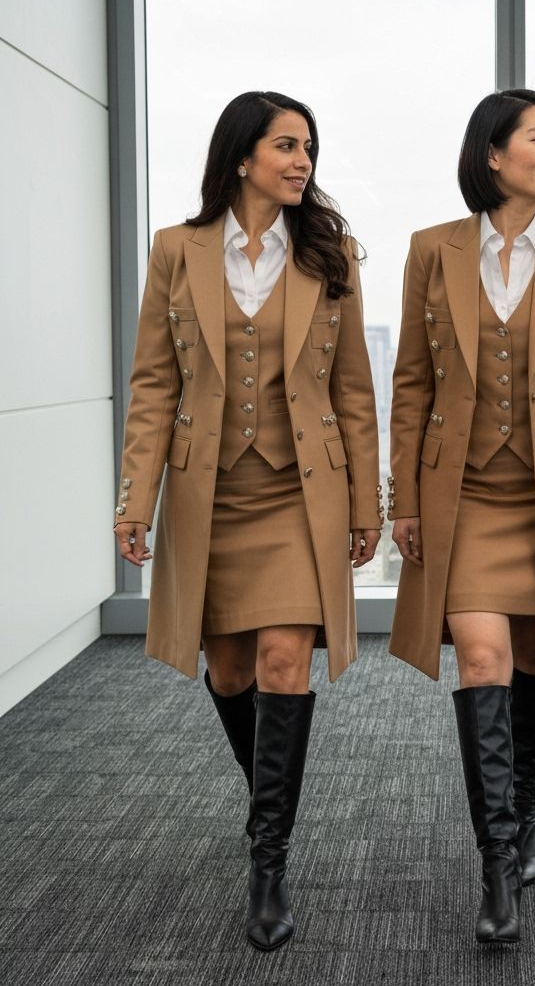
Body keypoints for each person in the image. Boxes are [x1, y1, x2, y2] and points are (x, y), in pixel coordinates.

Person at [113, 91, 381, 951]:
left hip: (302, 494)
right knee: (228, 671)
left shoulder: (329, 254)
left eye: (309, 148)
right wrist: (134, 499)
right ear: (241, 158)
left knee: (281, 661)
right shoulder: (176, 251)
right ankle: (270, 801)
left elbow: (355, 392)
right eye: (286, 146)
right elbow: (154, 384)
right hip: (209, 496)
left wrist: (367, 503)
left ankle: (269, 860)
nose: (303, 161)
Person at [387, 89, 535, 944]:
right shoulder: (430, 250)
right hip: (466, 496)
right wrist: (402, 499)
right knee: (482, 657)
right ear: (493, 154)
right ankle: (496, 866)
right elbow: (410, 384)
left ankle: (525, 817)